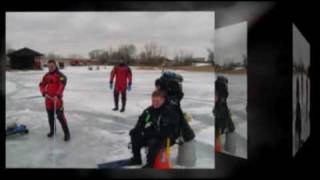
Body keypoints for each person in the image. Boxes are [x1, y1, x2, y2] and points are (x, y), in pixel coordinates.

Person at [128, 90, 181, 168]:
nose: (155, 103)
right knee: (135, 134)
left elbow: (166, 132)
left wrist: (149, 132)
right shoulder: (150, 110)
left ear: (163, 100)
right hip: (154, 133)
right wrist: (138, 129)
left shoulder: (168, 112)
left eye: (157, 101)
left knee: (153, 142)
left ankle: (150, 164)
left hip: (168, 138)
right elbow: (142, 121)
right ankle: (136, 159)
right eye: (153, 100)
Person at [39, 59, 70, 141]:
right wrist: (44, 92)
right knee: (50, 117)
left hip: (57, 100)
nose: (50, 68)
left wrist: (58, 95)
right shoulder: (46, 75)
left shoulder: (60, 75)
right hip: (48, 99)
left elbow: (62, 85)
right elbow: (42, 85)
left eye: (52, 66)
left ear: (55, 66)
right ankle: (53, 131)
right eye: (49, 66)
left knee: (60, 116)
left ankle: (67, 133)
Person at [213, 75, 234, 152]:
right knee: (219, 130)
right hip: (220, 112)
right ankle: (218, 149)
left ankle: (218, 148)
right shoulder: (220, 88)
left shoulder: (218, 88)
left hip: (220, 111)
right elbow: (217, 100)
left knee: (218, 131)